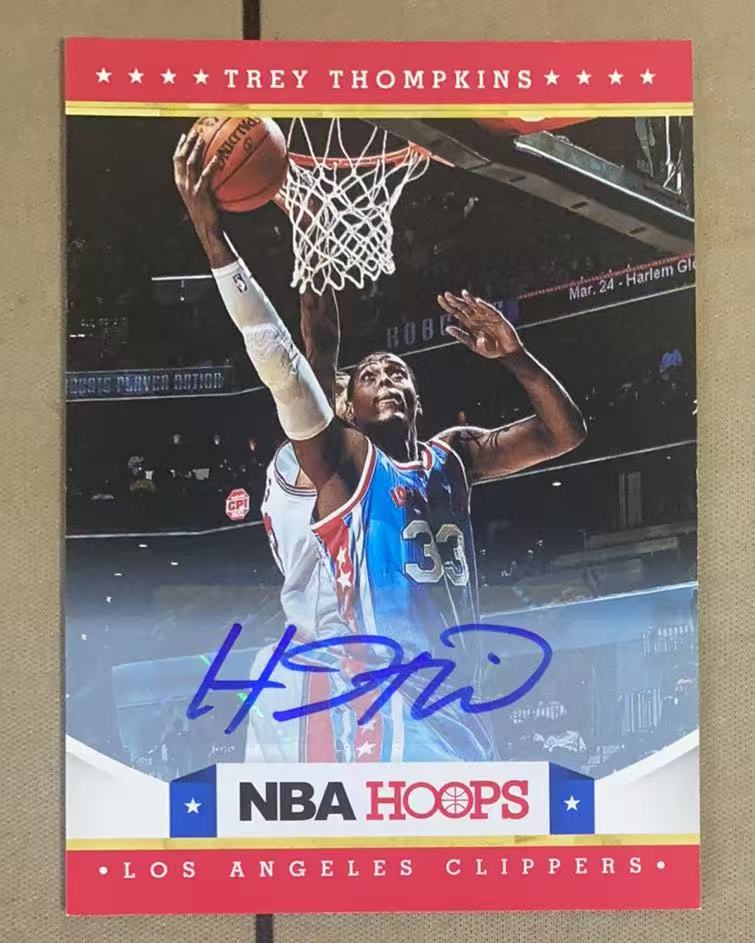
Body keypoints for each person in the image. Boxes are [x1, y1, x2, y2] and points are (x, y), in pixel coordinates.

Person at [174, 130, 586, 762]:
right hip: (358, 696)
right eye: (371, 376)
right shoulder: (341, 464)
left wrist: (517, 356)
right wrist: (218, 238)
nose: (389, 378)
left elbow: (565, 434)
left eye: (400, 373)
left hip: (459, 708)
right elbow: (297, 360)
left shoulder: (451, 458)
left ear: (420, 401)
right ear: (347, 409)